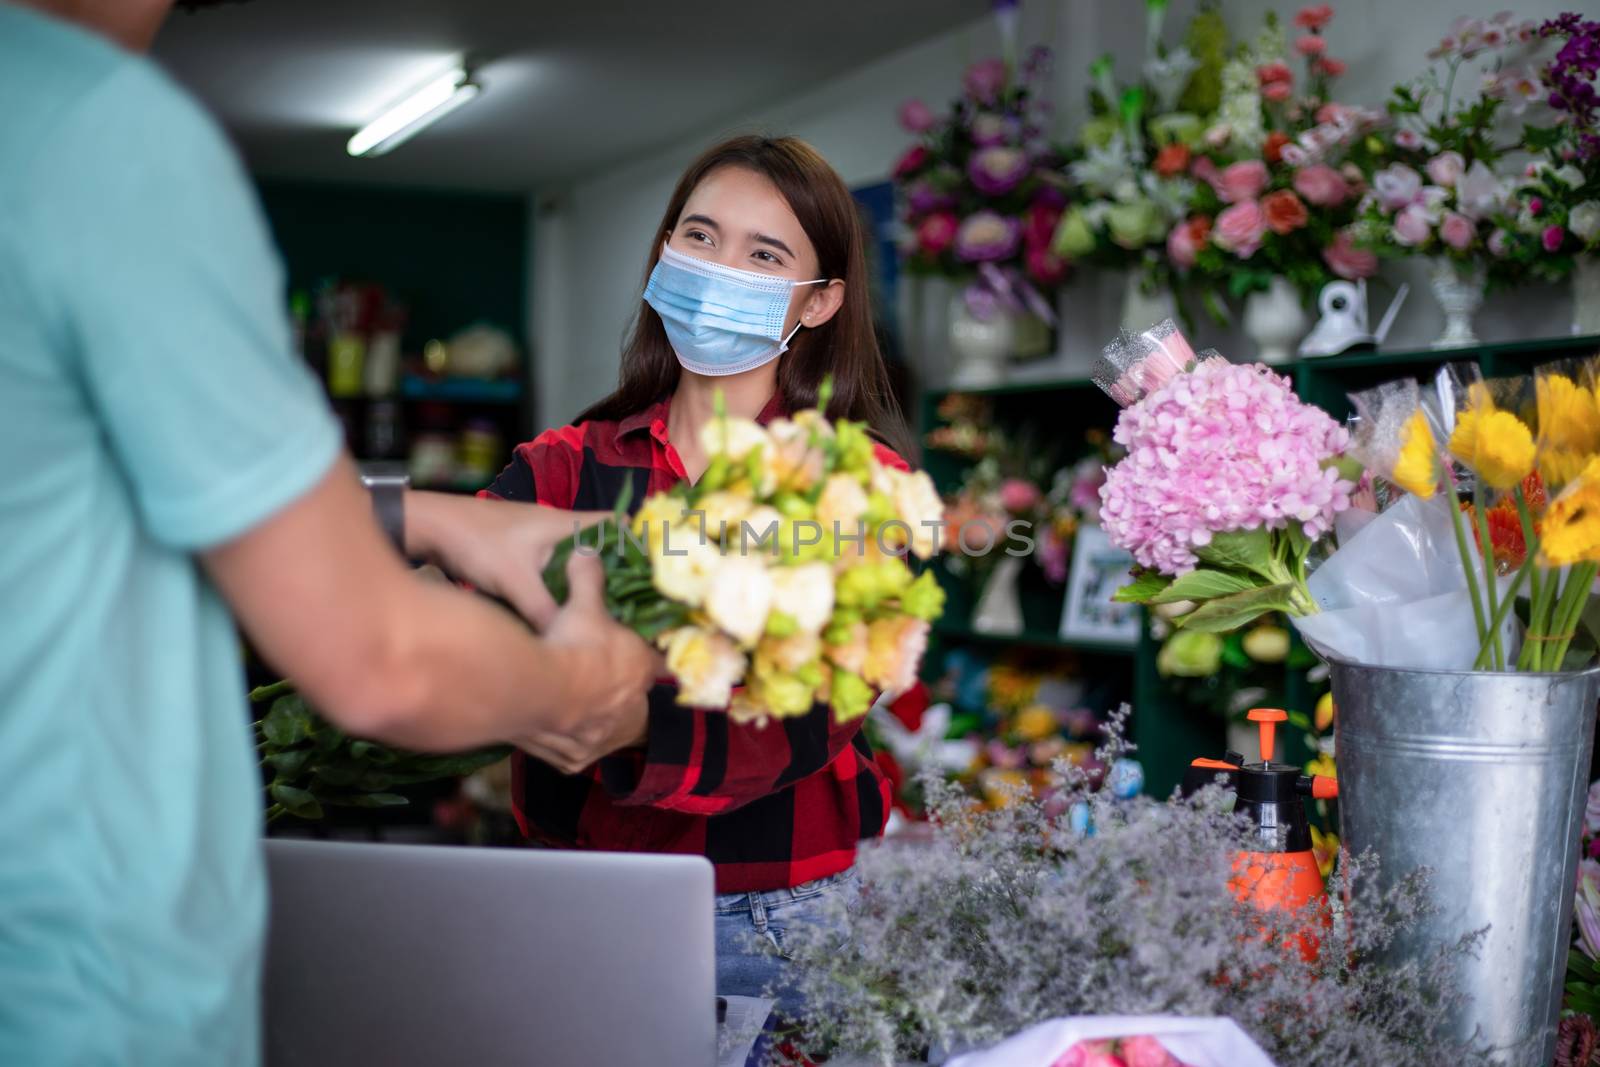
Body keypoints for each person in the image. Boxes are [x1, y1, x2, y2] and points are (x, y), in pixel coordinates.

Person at [0, 2, 659, 1063]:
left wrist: (432, 515)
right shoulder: (99, 133)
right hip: (66, 987)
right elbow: (380, 657)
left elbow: (98, 476)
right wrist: (580, 683)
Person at [481, 134, 915, 1016]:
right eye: (700, 237)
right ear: (663, 254)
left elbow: (804, 715)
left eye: (765, 254)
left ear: (823, 300)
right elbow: (435, 628)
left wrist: (625, 720)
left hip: (787, 922)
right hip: (578, 900)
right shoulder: (561, 468)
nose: (720, 269)